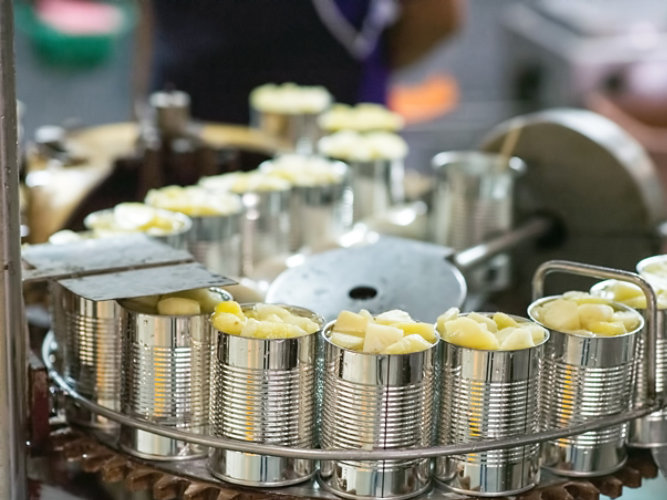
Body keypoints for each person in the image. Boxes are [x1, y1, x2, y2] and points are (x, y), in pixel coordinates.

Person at [136, 0, 463, 124]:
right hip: (186, 141)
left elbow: (436, 18)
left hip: (328, 159)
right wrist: (141, 115)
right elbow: (152, 17)